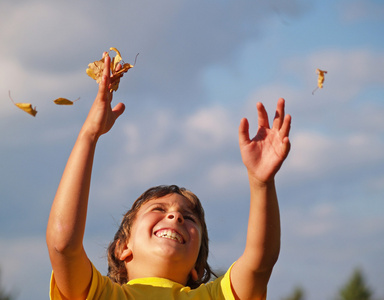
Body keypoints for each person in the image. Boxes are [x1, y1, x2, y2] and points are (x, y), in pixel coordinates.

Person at [46, 52, 292, 300]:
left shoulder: (214, 296)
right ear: (123, 248)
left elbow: (259, 263)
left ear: (198, 267)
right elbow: (63, 245)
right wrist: (88, 135)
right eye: (158, 209)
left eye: (189, 218)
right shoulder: (103, 295)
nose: (175, 216)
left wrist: (261, 183)